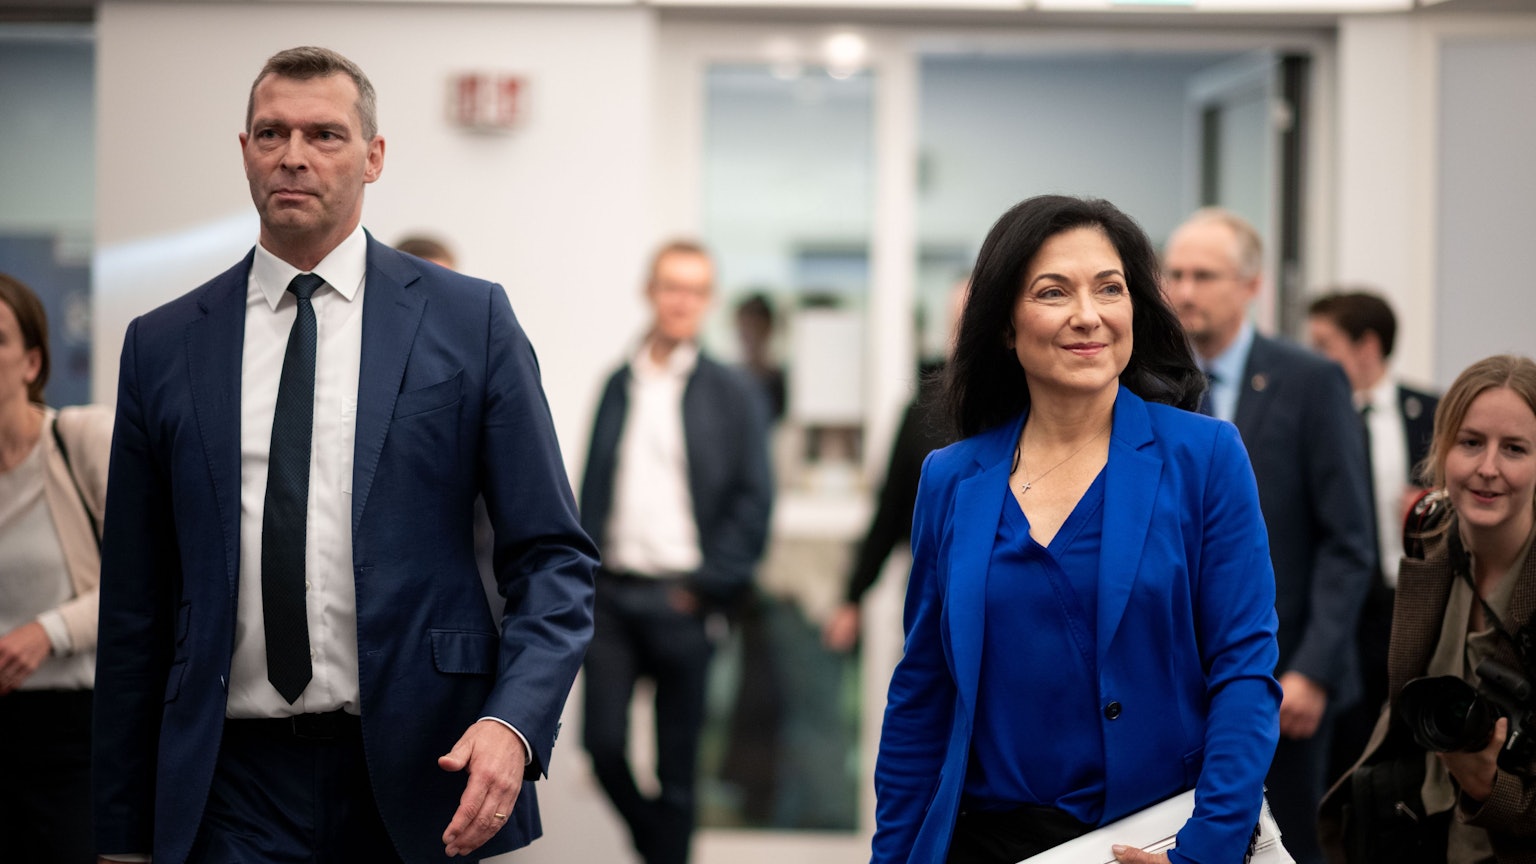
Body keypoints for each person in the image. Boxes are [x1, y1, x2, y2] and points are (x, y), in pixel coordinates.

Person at [92, 46, 597, 864]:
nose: (294, 154)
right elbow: (135, 608)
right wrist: (120, 834)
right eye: (271, 132)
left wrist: (514, 721)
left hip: (422, 765)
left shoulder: (472, 323)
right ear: (245, 150)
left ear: (374, 157)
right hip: (229, 778)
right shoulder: (165, 346)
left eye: (325, 134)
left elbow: (553, 556)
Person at [873, 195, 1282, 864]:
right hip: (985, 842)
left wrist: (1207, 850)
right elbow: (923, 695)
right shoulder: (952, 480)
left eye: (1109, 289)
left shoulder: (1205, 458)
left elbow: (1245, 669)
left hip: (1150, 842)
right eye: (1053, 292)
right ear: (1006, 324)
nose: (1087, 315)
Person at [1164, 208, 1375, 864]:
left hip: (1287, 682)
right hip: (1178, 682)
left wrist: (1312, 669)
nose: (1184, 291)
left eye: (1204, 275)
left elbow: (1349, 541)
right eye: (1173, 273)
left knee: (1283, 847)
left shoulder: (1310, 380)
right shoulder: (1150, 384)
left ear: (1251, 286)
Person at [579, 239, 774, 864]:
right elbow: (592, 486)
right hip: (610, 597)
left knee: (679, 773)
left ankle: (665, 849)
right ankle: (662, 849)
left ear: (708, 301)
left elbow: (754, 500)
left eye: (695, 289)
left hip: (685, 600)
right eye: (671, 286)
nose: (681, 300)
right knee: (601, 748)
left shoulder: (732, 392)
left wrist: (709, 585)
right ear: (650, 291)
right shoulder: (618, 382)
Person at [1320, 354, 1536, 864]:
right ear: (1441, 448)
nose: (1487, 468)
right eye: (1470, 442)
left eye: (1514, 449)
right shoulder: (1431, 534)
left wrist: (1489, 787)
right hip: (1415, 826)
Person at [1306, 289, 1441, 781]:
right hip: (1341, 609)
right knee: (1346, 746)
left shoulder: (1431, 411)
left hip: (1413, 600)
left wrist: (1433, 507)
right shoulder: (1314, 417)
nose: (1312, 356)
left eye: (1324, 343)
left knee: (1408, 737)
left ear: (1366, 345)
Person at [0, 273, 112, 864]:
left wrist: (48, 630)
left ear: (31, 361)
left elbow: (145, 582)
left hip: (73, 730)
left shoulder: (81, 440)